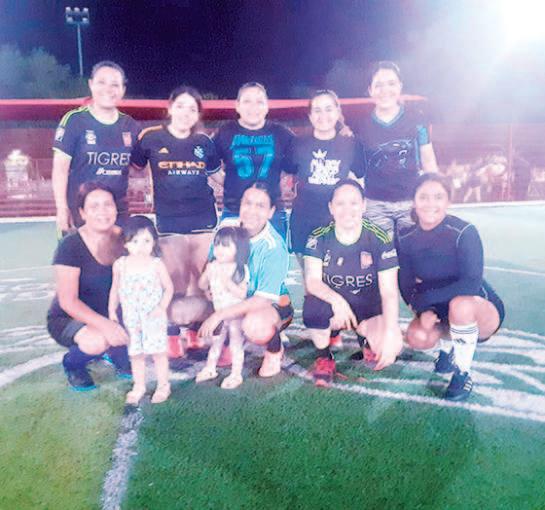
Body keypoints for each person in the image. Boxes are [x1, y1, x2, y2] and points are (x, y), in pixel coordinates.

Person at [396, 174, 505, 401]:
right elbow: (405, 280)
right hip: (439, 308)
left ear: (448, 201)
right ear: (414, 201)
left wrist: (427, 300)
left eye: (438, 197)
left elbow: (471, 283)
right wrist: (423, 310)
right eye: (423, 197)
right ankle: (447, 350)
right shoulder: (405, 237)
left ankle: (463, 373)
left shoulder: (464, 232)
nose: (430, 203)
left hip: (478, 308)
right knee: (417, 337)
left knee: (460, 305)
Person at [131, 86, 222, 349]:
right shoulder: (150, 138)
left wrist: (244, 192)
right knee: (174, 283)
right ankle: (171, 336)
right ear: (170, 108)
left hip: (203, 222)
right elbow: (133, 169)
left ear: (198, 115)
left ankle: (196, 333)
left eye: (192, 109)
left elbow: (217, 176)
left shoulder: (204, 142)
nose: (185, 113)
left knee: (203, 283)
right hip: (169, 224)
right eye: (180, 106)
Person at [170, 183, 293, 378]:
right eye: (248, 203)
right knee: (178, 311)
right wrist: (208, 288)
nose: (252, 211)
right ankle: (228, 338)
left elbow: (262, 299)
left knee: (255, 326)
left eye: (260, 206)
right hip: (227, 301)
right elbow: (212, 263)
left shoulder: (274, 247)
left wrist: (218, 316)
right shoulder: (227, 227)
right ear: (240, 205)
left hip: (265, 306)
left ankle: (274, 349)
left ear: (271, 212)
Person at [303, 180, 403, 387]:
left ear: (364, 205)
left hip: (367, 304)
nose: (347, 209)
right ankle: (324, 356)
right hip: (332, 306)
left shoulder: (379, 237)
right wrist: (337, 301)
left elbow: (389, 291)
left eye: (353, 203)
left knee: (393, 345)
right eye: (340, 203)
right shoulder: (318, 236)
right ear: (331, 207)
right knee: (312, 310)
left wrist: (391, 330)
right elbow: (312, 281)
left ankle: (364, 337)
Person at [46, 182, 130, 391]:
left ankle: (116, 353)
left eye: (108, 204)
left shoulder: (128, 239)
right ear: (82, 213)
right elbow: (68, 301)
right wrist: (106, 326)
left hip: (113, 313)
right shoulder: (70, 245)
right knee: (97, 342)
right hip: (70, 317)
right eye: (94, 206)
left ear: (115, 208)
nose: (103, 211)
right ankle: (72, 364)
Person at [52, 61, 140, 234]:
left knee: (118, 252)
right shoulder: (74, 120)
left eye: (115, 84)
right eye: (102, 82)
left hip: (117, 215)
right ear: (91, 84)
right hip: (81, 214)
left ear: (123, 90)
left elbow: (139, 165)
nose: (108, 89)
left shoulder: (131, 126)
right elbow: (60, 169)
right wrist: (62, 208)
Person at [354, 61, 438, 238]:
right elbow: (357, 171)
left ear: (400, 86)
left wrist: (434, 197)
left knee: (414, 252)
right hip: (375, 206)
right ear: (370, 90)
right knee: (383, 255)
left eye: (391, 83)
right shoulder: (362, 126)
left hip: (411, 203)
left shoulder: (417, 120)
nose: (385, 90)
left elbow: (428, 161)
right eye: (378, 85)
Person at [289, 89, 365, 264]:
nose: (323, 115)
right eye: (317, 110)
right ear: (310, 115)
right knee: (309, 275)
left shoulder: (352, 144)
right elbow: (289, 171)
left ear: (337, 112)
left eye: (328, 109)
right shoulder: (297, 144)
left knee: (338, 274)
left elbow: (359, 181)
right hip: (304, 221)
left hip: (339, 221)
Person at [214, 82, 295, 239]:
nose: (253, 107)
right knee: (230, 254)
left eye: (259, 102)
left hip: (271, 211)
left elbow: (297, 161)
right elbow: (208, 163)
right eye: (247, 101)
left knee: (273, 254)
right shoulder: (225, 132)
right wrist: (227, 181)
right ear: (237, 106)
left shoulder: (281, 134)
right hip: (235, 209)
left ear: (267, 106)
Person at [108, 216, 174, 405]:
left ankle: (163, 385)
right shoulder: (120, 265)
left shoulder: (156, 264)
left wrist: (161, 307)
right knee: (136, 353)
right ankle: (139, 386)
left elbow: (168, 288)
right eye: (135, 241)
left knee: (158, 353)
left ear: (154, 242)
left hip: (153, 317)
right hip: (131, 318)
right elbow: (115, 288)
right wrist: (112, 310)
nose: (141, 246)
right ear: (125, 243)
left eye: (146, 241)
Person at [196, 226, 250, 389]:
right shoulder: (213, 266)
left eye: (226, 245)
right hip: (218, 313)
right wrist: (207, 275)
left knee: (235, 344)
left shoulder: (240, 268)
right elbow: (202, 285)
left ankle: (236, 373)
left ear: (238, 249)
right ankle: (210, 368)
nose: (219, 249)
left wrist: (227, 281)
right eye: (217, 245)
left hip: (235, 315)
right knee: (216, 342)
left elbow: (243, 294)